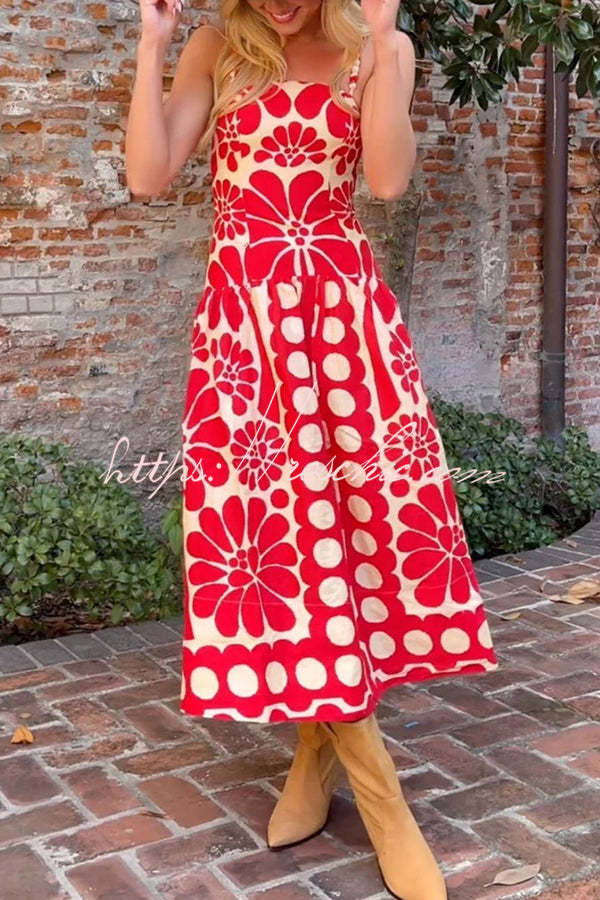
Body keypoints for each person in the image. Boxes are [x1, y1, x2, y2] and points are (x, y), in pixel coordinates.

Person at [126, 1, 499, 897]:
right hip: (246, 335)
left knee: (355, 534)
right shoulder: (218, 46)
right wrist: (151, 44)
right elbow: (148, 175)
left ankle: (313, 761)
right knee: (282, 543)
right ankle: (383, 800)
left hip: (343, 328)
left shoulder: (380, 46)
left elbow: (387, 181)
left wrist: (384, 44)